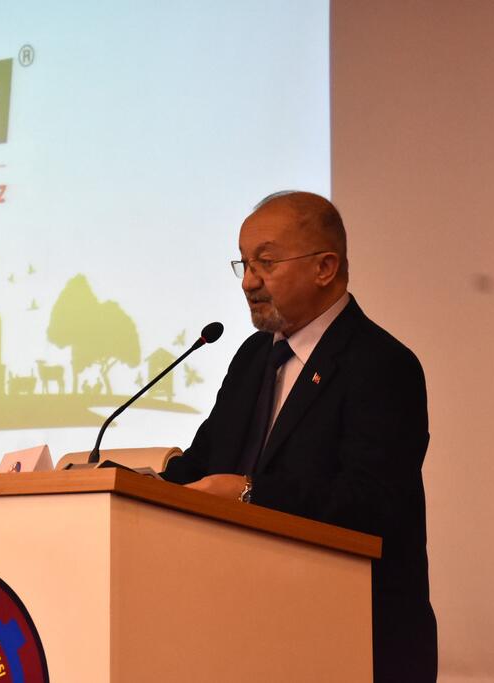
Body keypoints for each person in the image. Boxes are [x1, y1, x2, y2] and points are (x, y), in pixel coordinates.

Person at [161, 191, 437, 682]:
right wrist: (123, 484)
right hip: (248, 631)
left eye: (265, 262)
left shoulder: (382, 364)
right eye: (244, 263)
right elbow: (202, 464)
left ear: (325, 267)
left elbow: (372, 503)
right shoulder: (252, 358)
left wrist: (249, 494)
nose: (248, 282)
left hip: (354, 636)